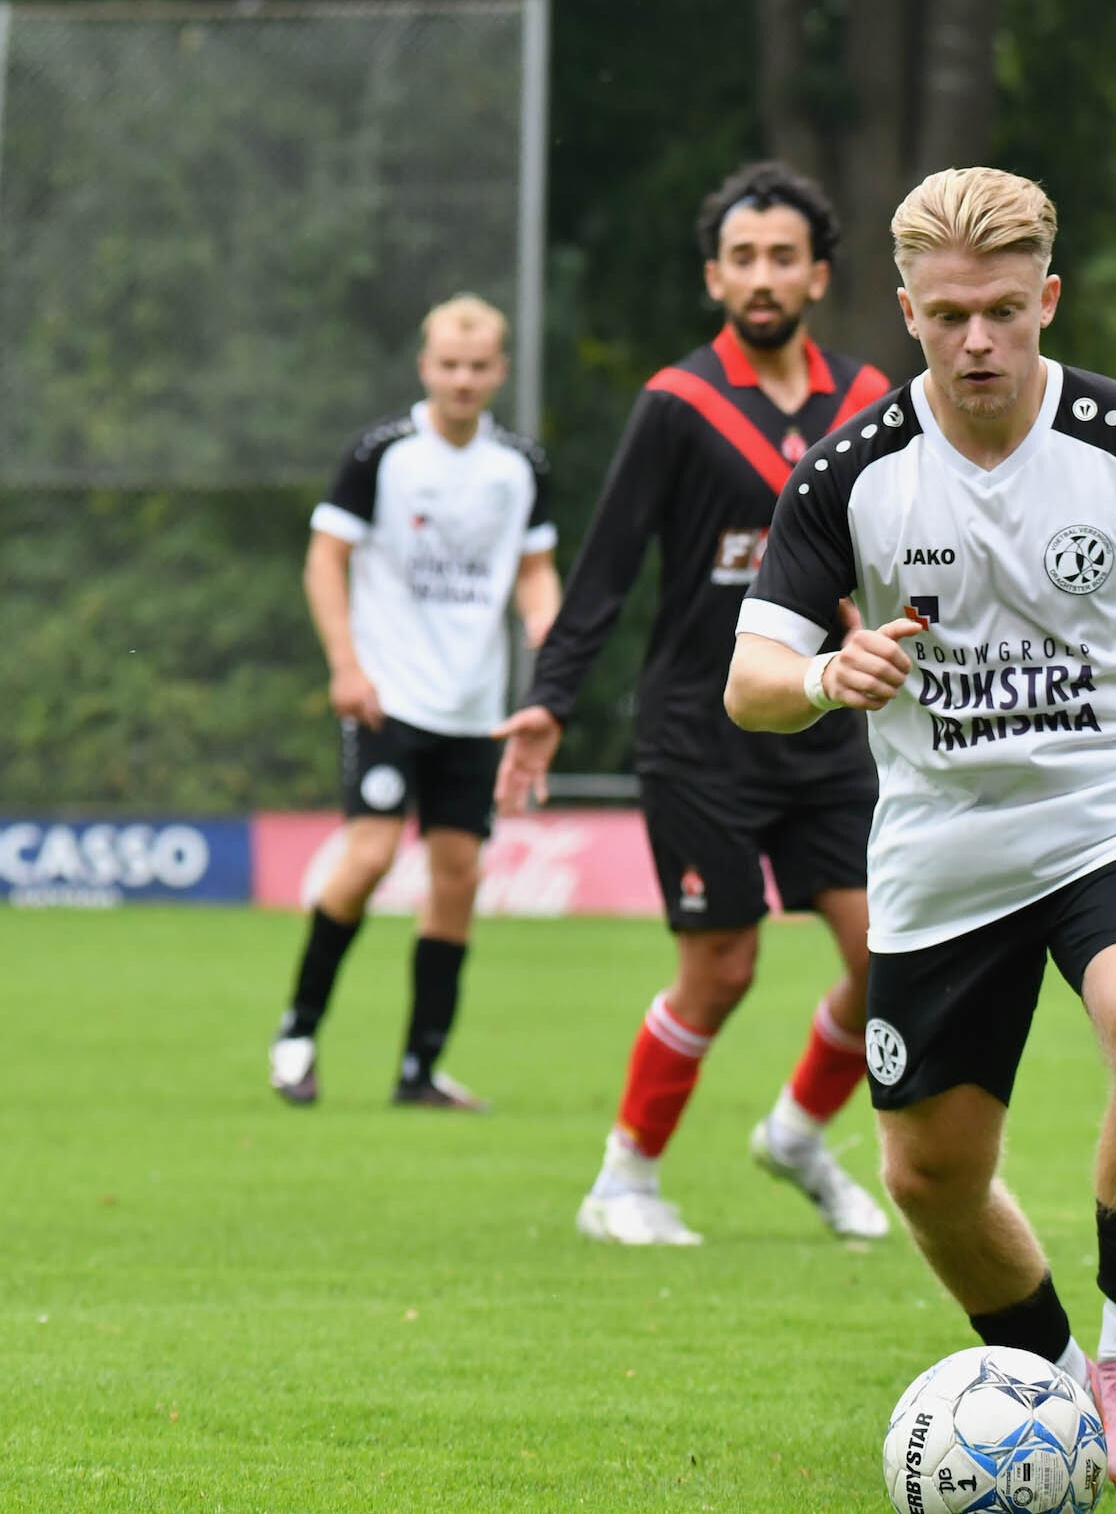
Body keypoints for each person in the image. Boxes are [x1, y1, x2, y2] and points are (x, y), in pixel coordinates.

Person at [724, 166, 1116, 1494]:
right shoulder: (852, 473)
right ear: (907, 312)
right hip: (944, 843)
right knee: (929, 1172)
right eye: (947, 315)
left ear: (1047, 298)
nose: (976, 339)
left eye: (1000, 310)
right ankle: (1054, 1384)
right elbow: (750, 681)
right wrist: (828, 674)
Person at [495, 162, 894, 1248]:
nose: (762, 277)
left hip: (825, 725)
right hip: (699, 730)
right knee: (722, 968)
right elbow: (605, 569)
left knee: (890, 957)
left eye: (783, 257)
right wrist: (549, 701)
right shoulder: (677, 403)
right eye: (742, 258)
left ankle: (797, 1137)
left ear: (817, 275)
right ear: (714, 276)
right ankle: (622, 1180)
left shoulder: (868, 399)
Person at [270, 293, 560, 1111]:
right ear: (425, 366)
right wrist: (346, 665)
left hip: (474, 709)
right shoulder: (382, 453)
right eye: (449, 365)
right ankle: (297, 1034)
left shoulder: (519, 466)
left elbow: (535, 568)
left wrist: (545, 620)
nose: (463, 379)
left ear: (499, 370)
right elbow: (325, 558)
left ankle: (419, 1069)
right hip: (389, 699)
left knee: (458, 876)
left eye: (478, 366)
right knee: (366, 858)